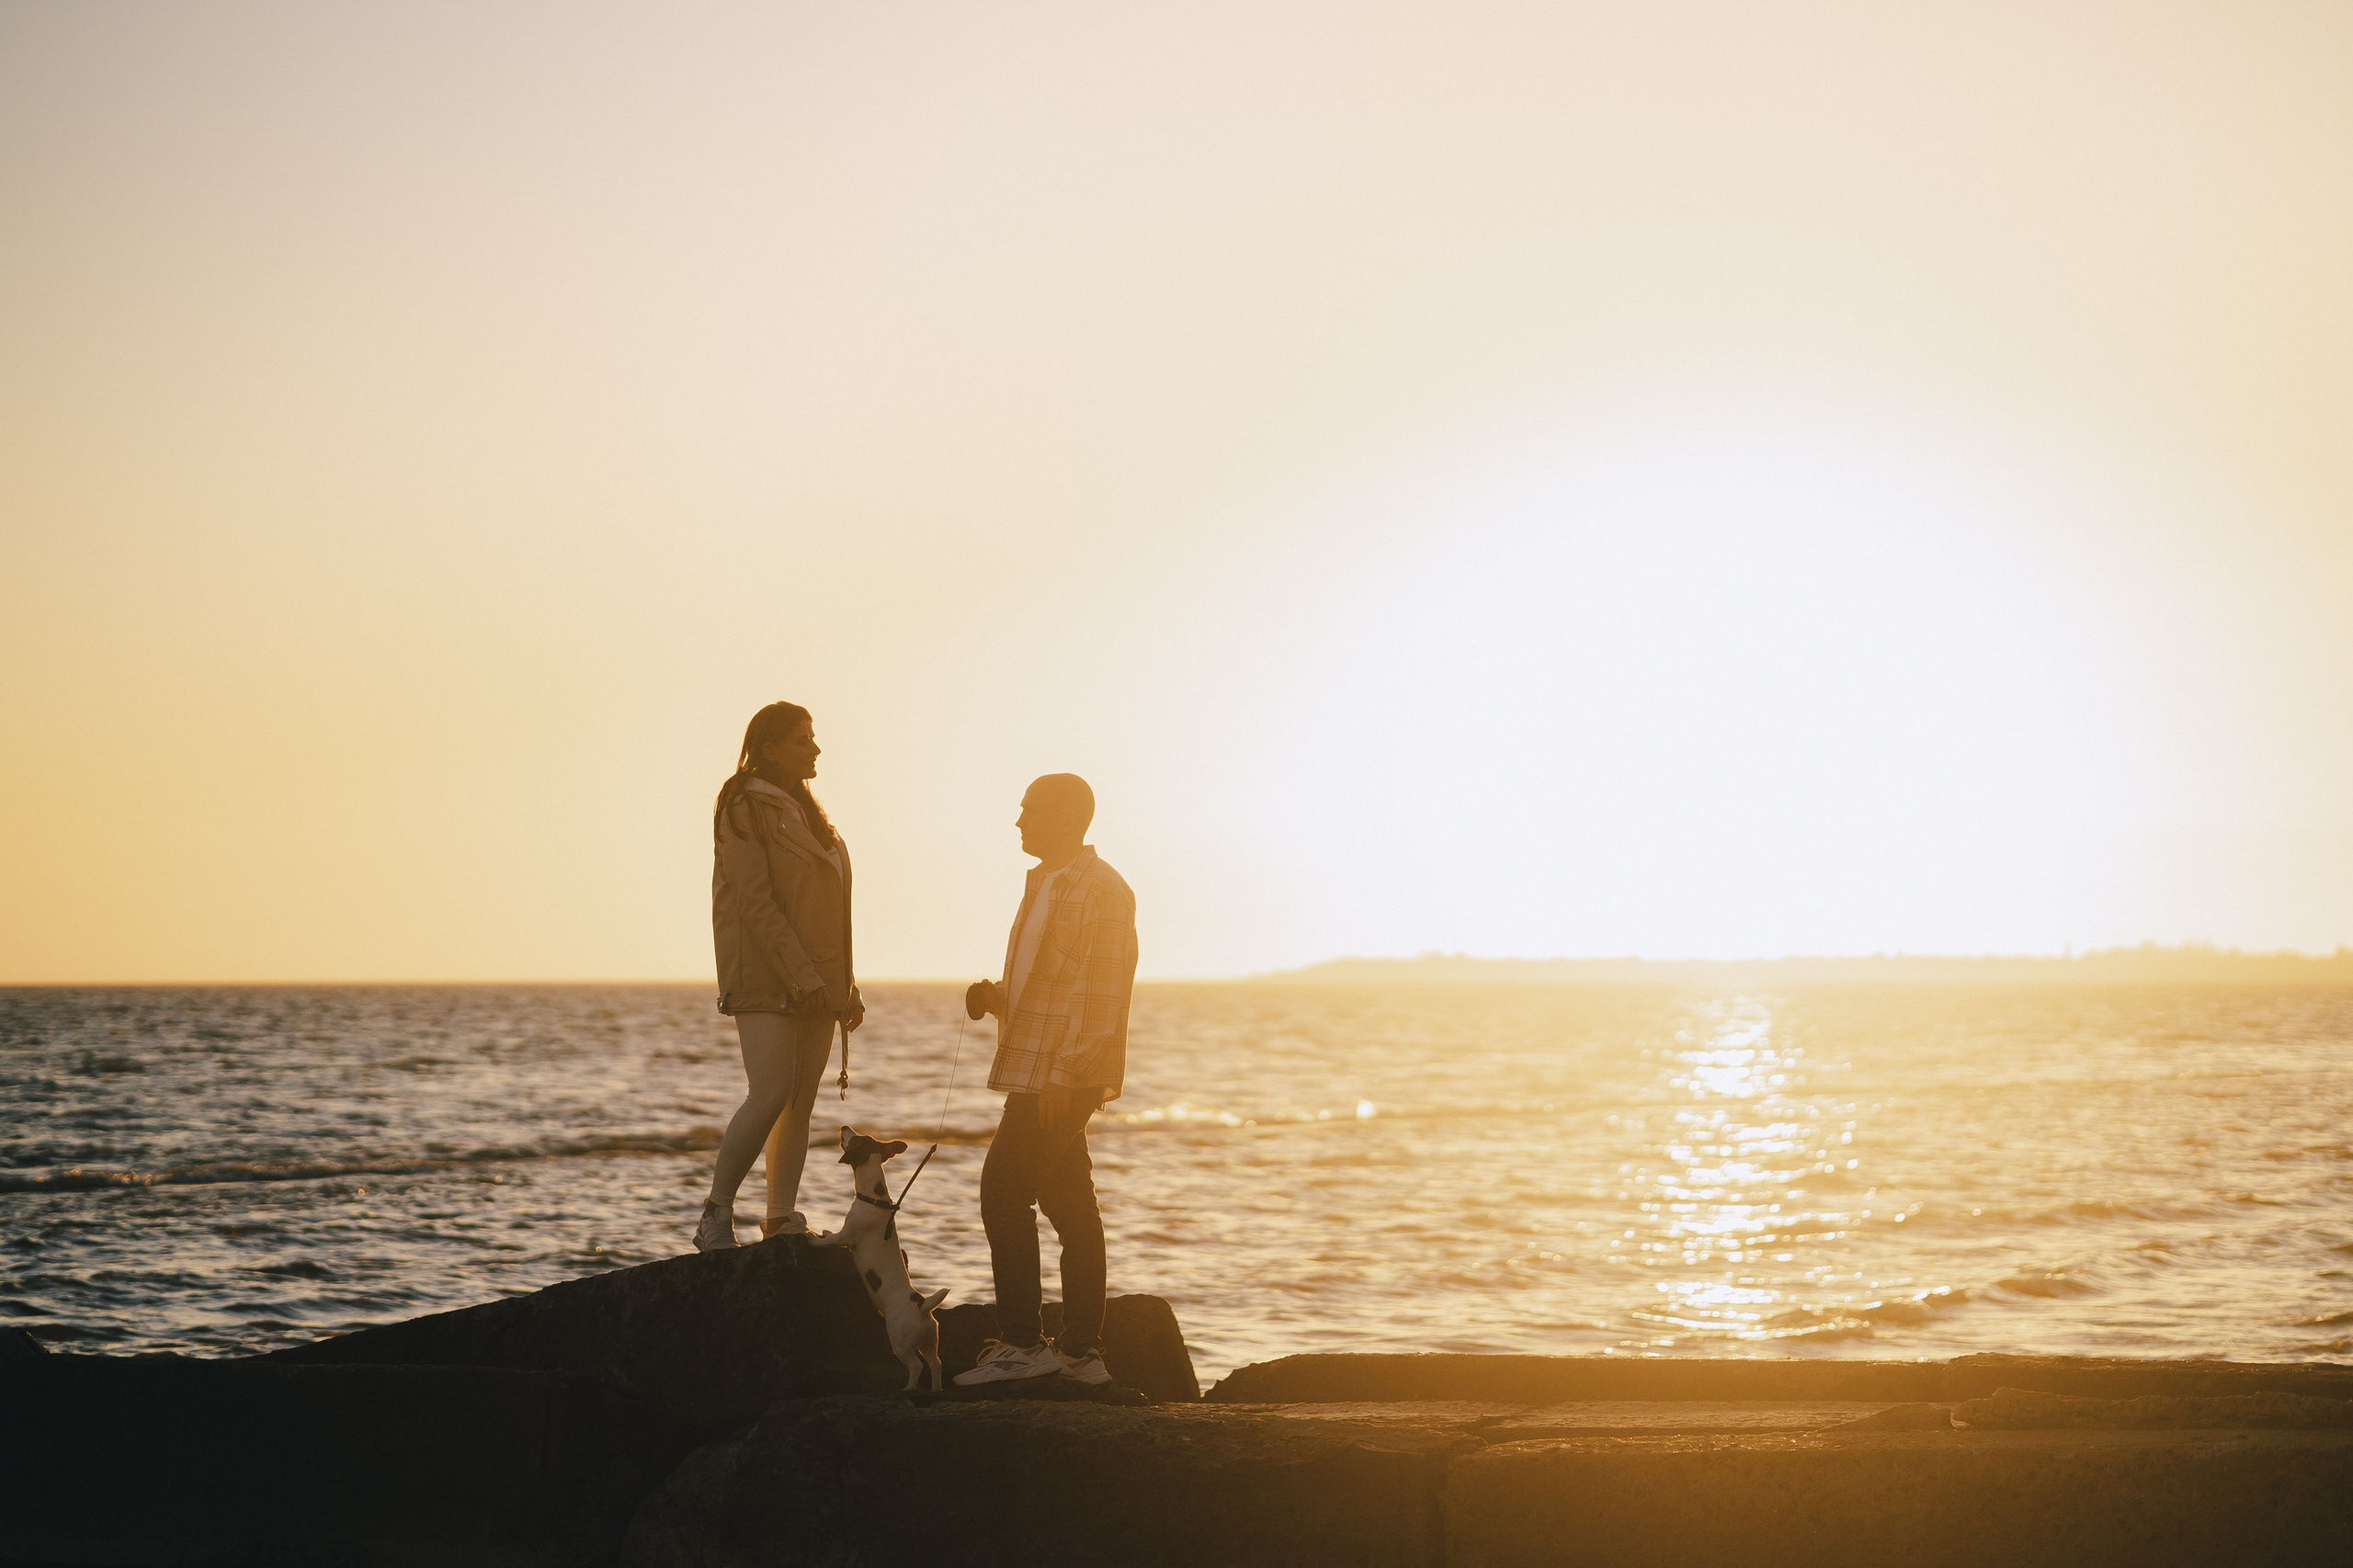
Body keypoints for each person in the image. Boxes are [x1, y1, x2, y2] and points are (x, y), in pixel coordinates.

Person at [954, 773, 1138, 1385]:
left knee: (1003, 1194)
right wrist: (997, 998)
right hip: (1039, 1068)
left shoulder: (1103, 890)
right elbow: (1054, 985)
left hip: (1060, 1076)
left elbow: (1103, 995)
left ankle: (1023, 1347)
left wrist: (1067, 1072)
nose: (1018, 821)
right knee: (1071, 1209)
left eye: (1028, 810)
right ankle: (1081, 1355)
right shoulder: (1046, 885)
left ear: (1062, 818)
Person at [697, 700, 864, 1250]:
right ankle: (716, 1216)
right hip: (768, 976)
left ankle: (780, 1218)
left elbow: (830, 911)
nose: (815, 748)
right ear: (769, 749)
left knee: (799, 1100)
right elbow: (755, 902)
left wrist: (844, 990)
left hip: (816, 982)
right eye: (802, 740)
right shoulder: (744, 806)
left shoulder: (806, 811)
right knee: (769, 1093)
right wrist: (803, 979)